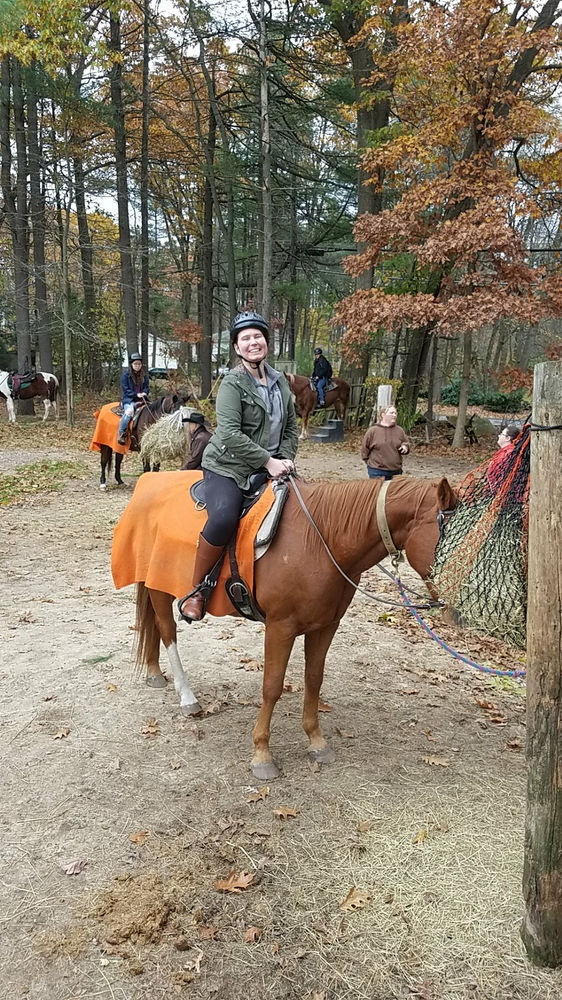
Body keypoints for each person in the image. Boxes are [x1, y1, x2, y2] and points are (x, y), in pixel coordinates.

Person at [179, 310, 299, 622]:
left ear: (266, 342)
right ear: (236, 347)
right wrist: (268, 461)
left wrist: (284, 459)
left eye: (257, 336)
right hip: (228, 465)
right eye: (245, 338)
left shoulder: (281, 383)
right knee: (223, 517)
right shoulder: (232, 383)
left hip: (269, 466)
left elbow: (290, 430)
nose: (252, 342)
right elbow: (229, 434)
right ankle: (198, 590)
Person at [360, 404, 410, 480]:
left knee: (394, 492)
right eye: (391, 413)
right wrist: (372, 464)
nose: (394, 415)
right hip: (377, 471)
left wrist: (405, 447)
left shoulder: (399, 430)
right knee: (378, 492)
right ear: (383, 415)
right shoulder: (373, 431)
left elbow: (406, 443)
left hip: (396, 472)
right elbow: (364, 450)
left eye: (395, 413)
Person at [117, 353, 149, 445]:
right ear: (131, 364)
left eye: (139, 364)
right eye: (135, 364)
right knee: (129, 412)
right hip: (129, 399)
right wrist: (136, 394)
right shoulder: (125, 375)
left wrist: (145, 393)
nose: (137, 366)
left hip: (142, 399)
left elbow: (146, 387)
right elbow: (126, 390)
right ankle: (121, 434)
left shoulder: (144, 375)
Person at [486, 424, 520, 490]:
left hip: (504, 491)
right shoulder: (505, 452)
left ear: (508, 438)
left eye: (501, 434)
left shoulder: (508, 454)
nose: (499, 436)